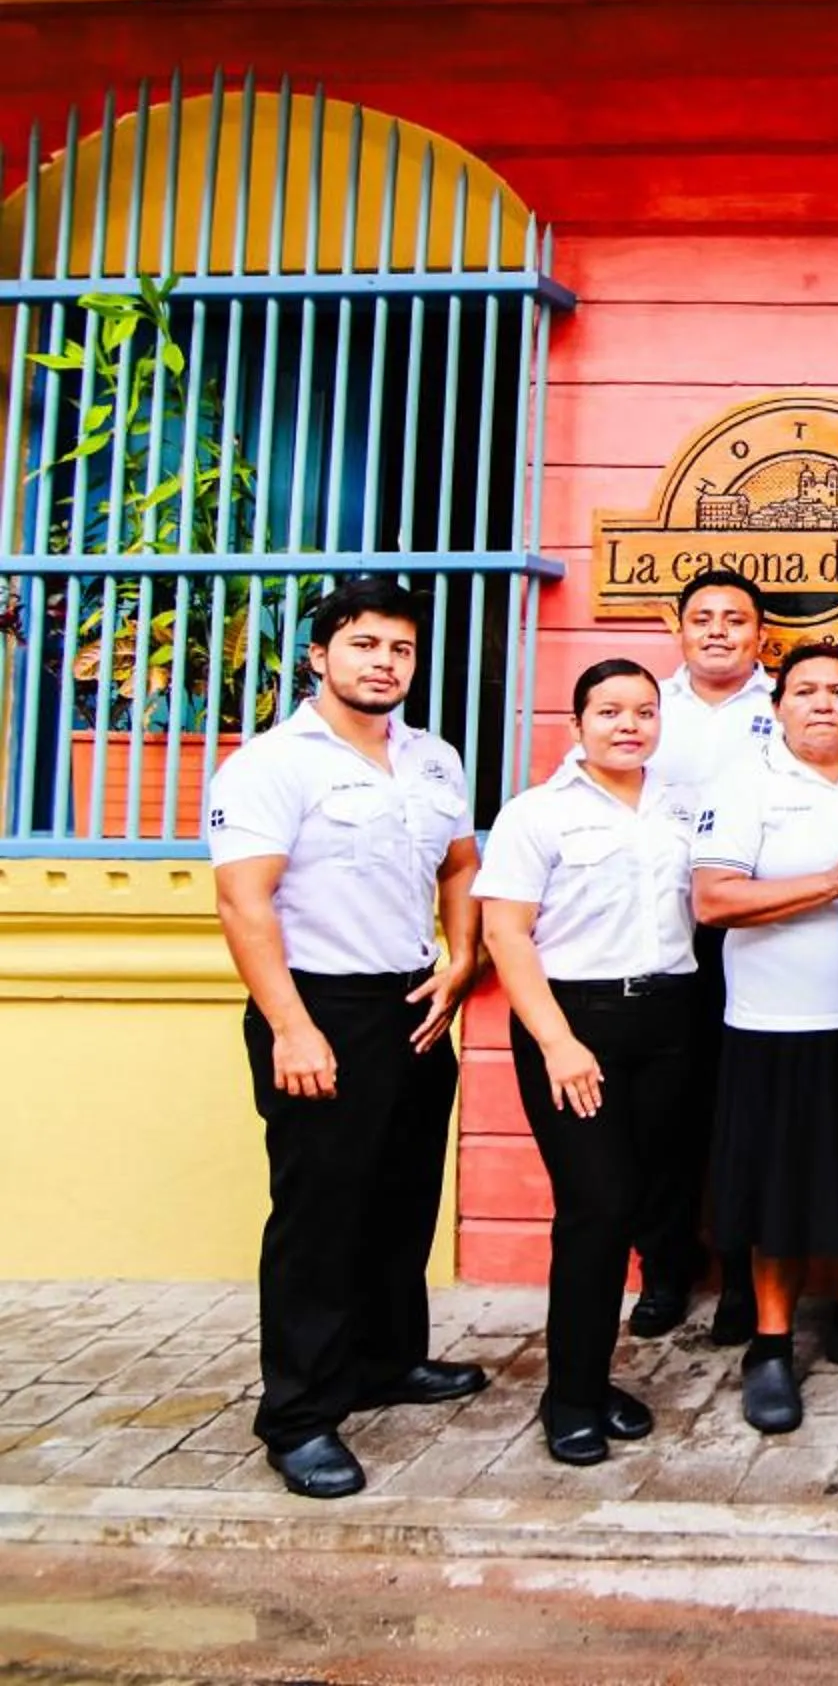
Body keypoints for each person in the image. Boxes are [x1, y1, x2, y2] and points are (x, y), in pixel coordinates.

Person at [207, 576, 488, 1499]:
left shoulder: (434, 760)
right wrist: (292, 1027)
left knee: (401, 1200)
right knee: (319, 1219)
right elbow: (243, 902)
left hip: (413, 1003)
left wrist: (459, 959)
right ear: (320, 654)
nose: (385, 663)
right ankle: (298, 1416)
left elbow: (459, 863)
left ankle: (385, 1361)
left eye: (401, 649)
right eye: (365, 645)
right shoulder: (271, 764)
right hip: (320, 1007)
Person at [474, 658, 698, 1467]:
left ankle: (597, 1380)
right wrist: (559, 1042)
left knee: (638, 1203)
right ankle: (568, 1397)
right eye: (609, 711)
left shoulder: (679, 810)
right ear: (577, 725)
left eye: (644, 711)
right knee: (595, 1210)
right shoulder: (537, 816)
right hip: (576, 1024)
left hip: (668, 1019)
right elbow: (506, 936)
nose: (629, 724)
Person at [688, 641, 838, 1437]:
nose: (822, 703)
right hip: (775, 1022)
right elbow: (714, 900)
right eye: (805, 691)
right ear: (777, 705)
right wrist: (832, 883)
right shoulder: (745, 783)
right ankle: (772, 1345)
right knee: (777, 1189)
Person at [638, 567, 778, 1343]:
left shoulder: (786, 708)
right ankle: (664, 1270)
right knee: (667, 1111)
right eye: (703, 618)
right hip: (662, 931)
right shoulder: (648, 707)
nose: (719, 630)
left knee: (740, 1109)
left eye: (735, 618)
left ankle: (740, 1283)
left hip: (755, 929)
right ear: (680, 629)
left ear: (761, 633)